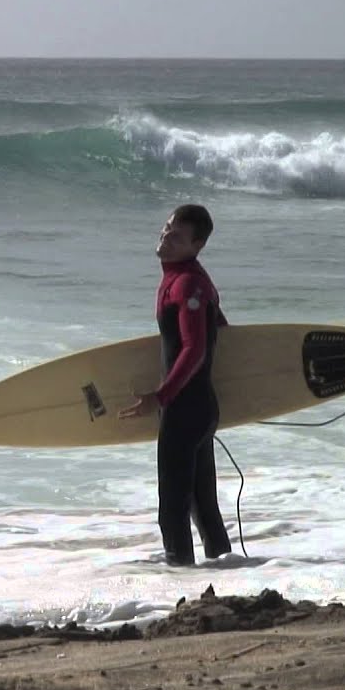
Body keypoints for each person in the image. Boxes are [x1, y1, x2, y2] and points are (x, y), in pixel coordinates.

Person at [118, 204, 232, 566]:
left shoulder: (187, 284)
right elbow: (222, 329)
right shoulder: (193, 280)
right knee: (202, 505)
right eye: (167, 227)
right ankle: (226, 574)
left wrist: (160, 397)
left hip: (185, 409)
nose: (166, 235)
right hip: (199, 408)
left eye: (178, 235)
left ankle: (180, 579)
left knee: (173, 508)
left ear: (197, 245)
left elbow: (195, 348)